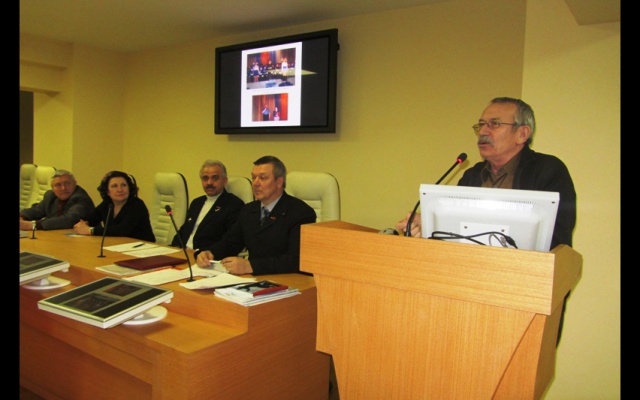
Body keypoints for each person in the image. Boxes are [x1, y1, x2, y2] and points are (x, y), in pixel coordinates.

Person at [395, 97, 576, 345]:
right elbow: (454, 238)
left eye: (494, 124)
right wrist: (427, 224)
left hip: (523, 298)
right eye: (481, 125)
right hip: (468, 296)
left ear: (522, 133)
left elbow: (557, 240)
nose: (483, 131)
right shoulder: (472, 175)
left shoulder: (548, 170)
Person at [195, 155, 317, 275]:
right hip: (253, 279)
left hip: (287, 279)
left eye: (263, 178)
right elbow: (231, 242)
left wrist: (251, 266)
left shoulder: (301, 213)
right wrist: (210, 253)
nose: (255, 183)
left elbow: (296, 260)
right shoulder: (248, 210)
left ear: (279, 182)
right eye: (254, 178)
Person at [170, 160, 245, 251]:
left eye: (215, 178)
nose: (209, 182)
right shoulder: (196, 203)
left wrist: (207, 253)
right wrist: (173, 248)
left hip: (206, 256)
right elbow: (184, 231)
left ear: (224, 180)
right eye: (205, 178)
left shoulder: (234, 205)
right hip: (182, 253)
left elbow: (230, 241)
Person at [73, 170, 155, 242]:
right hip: (117, 245)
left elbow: (122, 230)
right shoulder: (107, 203)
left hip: (142, 248)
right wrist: (83, 224)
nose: (120, 190)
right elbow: (91, 218)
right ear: (107, 191)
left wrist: (90, 230)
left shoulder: (137, 204)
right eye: (114, 186)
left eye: (123, 185)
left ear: (129, 188)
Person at [20, 169, 95, 231]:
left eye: (67, 183)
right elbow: (37, 210)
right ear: (52, 188)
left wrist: (33, 225)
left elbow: (69, 220)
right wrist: (22, 216)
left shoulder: (81, 198)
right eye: (58, 185)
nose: (63, 188)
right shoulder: (50, 196)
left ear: (75, 183)